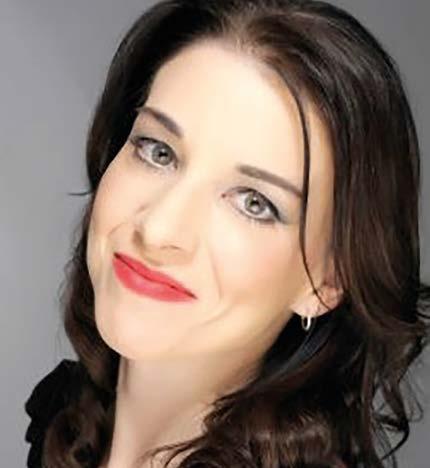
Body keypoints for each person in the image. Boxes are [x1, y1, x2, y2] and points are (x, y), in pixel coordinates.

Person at [24, 0, 430, 467]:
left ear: (328, 280)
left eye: (253, 203)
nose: (157, 229)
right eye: (158, 151)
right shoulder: (67, 420)